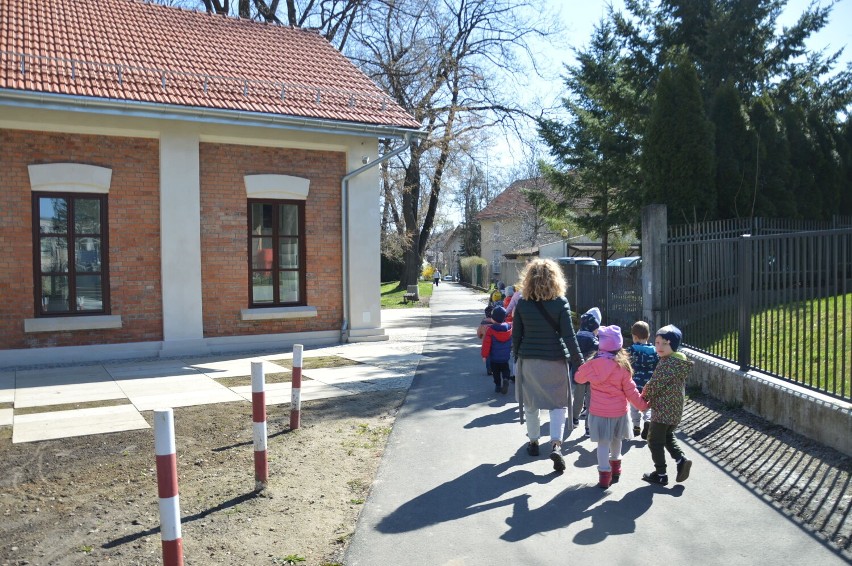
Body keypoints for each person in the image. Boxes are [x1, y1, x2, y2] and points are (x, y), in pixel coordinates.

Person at [512, 258, 583, 473]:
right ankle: (555, 445)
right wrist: (580, 362)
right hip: (555, 360)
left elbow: (516, 335)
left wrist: (517, 358)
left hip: (529, 360)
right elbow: (569, 337)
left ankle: (533, 443)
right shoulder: (561, 303)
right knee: (558, 404)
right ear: (555, 279)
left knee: (531, 404)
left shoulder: (523, 303)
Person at [574, 325, 649, 488]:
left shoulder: (594, 364)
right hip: (619, 412)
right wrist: (643, 405)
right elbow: (631, 391)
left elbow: (578, 378)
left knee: (602, 444)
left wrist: (587, 365)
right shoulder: (623, 367)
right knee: (616, 440)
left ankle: (604, 476)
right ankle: (616, 468)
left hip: (599, 412)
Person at [640, 324, 694, 485]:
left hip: (663, 410)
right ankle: (681, 460)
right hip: (675, 410)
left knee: (654, 441)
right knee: (667, 436)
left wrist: (644, 396)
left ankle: (661, 474)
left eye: (665, 343)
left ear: (673, 345)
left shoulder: (668, 363)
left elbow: (656, 383)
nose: (660, 347)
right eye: (657, 343)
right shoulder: (678, 362)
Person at [626, 321, 659, 439]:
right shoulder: (655, 351)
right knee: (646, 406)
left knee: (634, 406)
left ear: (634, 337)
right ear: (648, 336)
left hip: (634, 384)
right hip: (649, 384)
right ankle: (648, 421)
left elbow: (625, 365)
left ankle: (636, 426)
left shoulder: (631, 350)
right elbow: (658, 366)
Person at [572, 307, 601, 437]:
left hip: (578, 375)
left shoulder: (575, 339)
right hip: (592, 376)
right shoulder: (595, 342)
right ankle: (588, 427)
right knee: (590, 400)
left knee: (577, 398)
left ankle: (574, 419)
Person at [481, 306, 512, 394]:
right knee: (506, 369)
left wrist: (484, 355)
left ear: (493, 319)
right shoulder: (509, 328)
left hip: (494, 358)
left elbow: (486, 344)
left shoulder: (490, 330)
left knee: (496, 373)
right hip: (505, 357)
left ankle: (498, 386)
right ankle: (506, 378)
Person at [477, 304, 496, 376]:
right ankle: (495, 368)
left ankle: (489, 369)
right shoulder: (496, 322)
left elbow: (479, 334)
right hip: (495, 343)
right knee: (494, 355)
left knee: (488, 356)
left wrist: (481, 336)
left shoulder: (483, 323)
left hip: (485, 343)